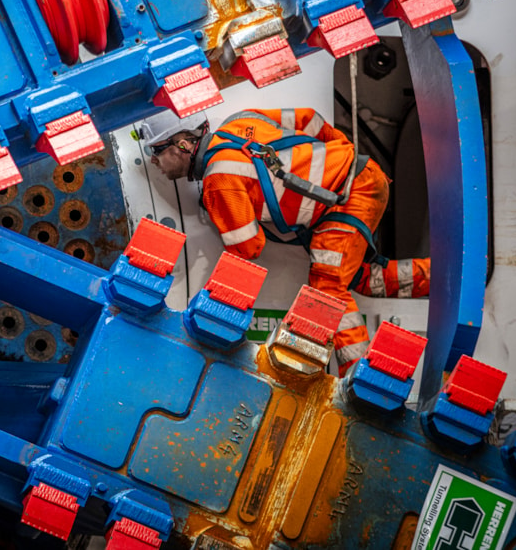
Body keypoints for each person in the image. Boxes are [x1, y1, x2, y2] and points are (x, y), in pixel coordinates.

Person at [138, 108, 430, 374]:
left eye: (158, 150)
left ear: (183, 145)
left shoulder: (219, 180)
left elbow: (250, 247)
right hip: (358, 179)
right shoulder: (240, 121)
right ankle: (446, 278)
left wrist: (221, 212)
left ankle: (359, 375)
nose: (154, 160)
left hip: (350, 196)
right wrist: (343, 154)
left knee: (328, 288)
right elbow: (308, 119)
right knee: (361, 280)